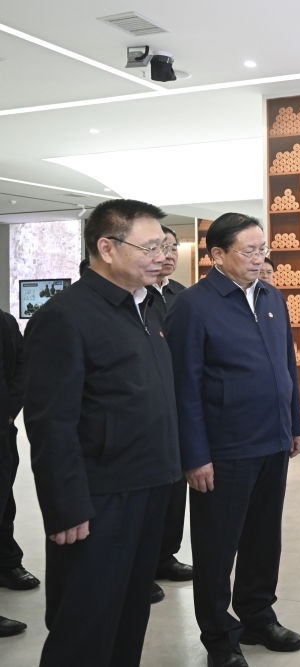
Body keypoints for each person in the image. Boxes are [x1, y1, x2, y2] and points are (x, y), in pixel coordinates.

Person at [22, 198, 181, 666]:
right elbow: (51, 423)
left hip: (150, 484)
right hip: (98, 497)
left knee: (130, 613)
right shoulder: (65, 316)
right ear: (107, 248)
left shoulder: (149, 307)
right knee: (85, 620)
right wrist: (65, 507)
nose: (161, 256)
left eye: (164, 246)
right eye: (149, 247)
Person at [166, 213, 300, 667]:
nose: (259, 258)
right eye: (249, 250)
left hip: (272, 441)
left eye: (263, 248)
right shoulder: (193, 306)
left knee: (264, 539)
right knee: (217, 547)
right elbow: (183, 386)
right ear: (217, 255)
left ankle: (258, 616)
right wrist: (195, 455)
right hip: (224, 448)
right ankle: (219, 638)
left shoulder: (271, 296)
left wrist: (294, 423)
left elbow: (287, 366)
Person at [148, 226, 193, 604]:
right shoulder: (136, 296)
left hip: (180, 404)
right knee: (149, 493)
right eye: (162, 247)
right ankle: (141, 566)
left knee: (176, 488)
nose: (169, 254)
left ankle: (165, 555)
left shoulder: (183, 295)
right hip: (148, 409)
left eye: (173, 247)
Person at [0, 307, 28, 638]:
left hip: (2, 431)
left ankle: (7, 563)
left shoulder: (5, 323)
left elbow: (22, 365)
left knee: (4, 501)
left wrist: (9, 411)